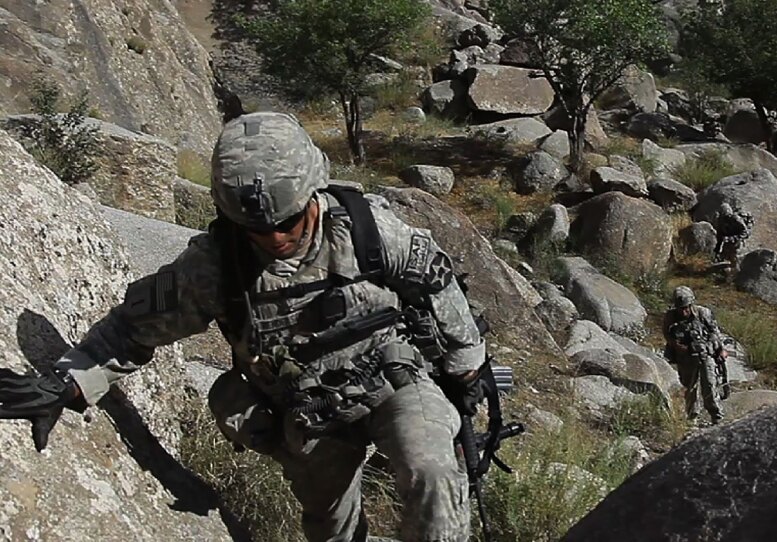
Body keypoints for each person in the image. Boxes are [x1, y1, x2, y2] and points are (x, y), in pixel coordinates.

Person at [0, 112, 487, 542]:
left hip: (392, 382)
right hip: (306, 413)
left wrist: (467, 367)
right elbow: (130, 331)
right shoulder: (215, 266)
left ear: (311, 193)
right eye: (260, 228)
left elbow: (438, 285)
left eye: (289, 221)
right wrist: (68, 381)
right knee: (330, 525)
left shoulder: (371, 232)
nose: (276, 238)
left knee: (434, 471)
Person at [663, 286, 726, 425]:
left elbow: (715, 331)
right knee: (690, 387)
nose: (684, 311)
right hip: (685, 357)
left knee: (709, 384)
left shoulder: (703, 313)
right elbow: (666, 334)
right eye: (681, 308)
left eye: (686, 307)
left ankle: (717, 417)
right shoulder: (671, 317)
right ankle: (692, 418)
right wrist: (676, 345)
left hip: (705, 354)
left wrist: (720, 349)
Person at [712, 202, 753, 269]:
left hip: (737, 240)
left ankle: (736, 272)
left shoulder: (736, 219)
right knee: (724, 256)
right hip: (728, 240)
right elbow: (720, 235)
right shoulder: (720, 221)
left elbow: (745, 232)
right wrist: (717, 250)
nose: (726, 216)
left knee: (734, 257)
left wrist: (732, 238)